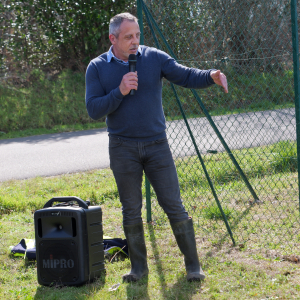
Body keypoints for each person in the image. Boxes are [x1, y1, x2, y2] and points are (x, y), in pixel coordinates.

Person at [85, 12, 228, 283]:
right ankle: (138, 269)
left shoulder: (154, 58)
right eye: (128, 37)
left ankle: (193, 266)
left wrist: (211, 75)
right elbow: (93, 109)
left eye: (137, 35)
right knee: (131, 208)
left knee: (173, 204)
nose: (135, 42)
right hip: (122, 147)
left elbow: (185, 75)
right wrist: (119, 91)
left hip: (156, 145)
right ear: (112, 38)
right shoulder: (97, 67)